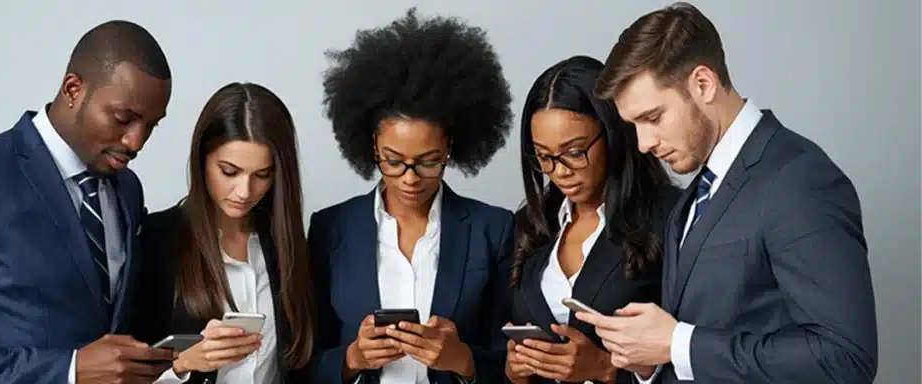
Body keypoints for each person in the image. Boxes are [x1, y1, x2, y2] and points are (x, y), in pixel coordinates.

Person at [572, 3, 879, 383]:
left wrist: (678, 344)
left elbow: (844, 359)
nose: (644, 143)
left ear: (703, 84)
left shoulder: (799, 179)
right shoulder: (693, 195)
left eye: (652, 118)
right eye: (633, 125)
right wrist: (651, 362)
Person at [0, 20, 176, 383]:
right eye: (124, 119)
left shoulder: (126, 187)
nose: (136, 142)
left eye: (152, 126)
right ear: (73, 89)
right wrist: (69, 370)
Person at [304, 8, 515, 384]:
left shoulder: (493, 229)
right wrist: (351, 359)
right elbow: (300, 360)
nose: (410, 178)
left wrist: (464, 360)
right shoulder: (330, 228)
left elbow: (514, 364)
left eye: (429, 162)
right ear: (371, 146)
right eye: (393, 161)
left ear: (450, 147)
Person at [505, 55, 681, 384]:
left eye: (574, 152)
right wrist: (514, 372)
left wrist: (605, 369)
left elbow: (700, 355)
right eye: (544, 156)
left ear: (614, 132)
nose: (559, 171)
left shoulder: (671, 216)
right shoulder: (529, 226)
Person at [133, 82, 317, 384]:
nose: (244, 192)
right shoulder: (156, 242)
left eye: (262, 175)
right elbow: (124, 371)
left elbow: (302, 363)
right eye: (229, 172)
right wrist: (185, 364)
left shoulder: (287, 247)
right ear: (202, 158)